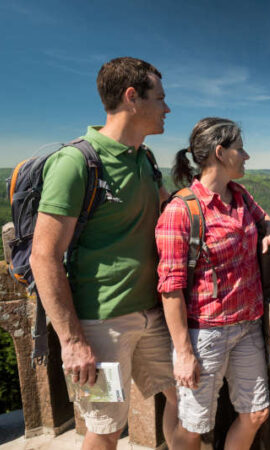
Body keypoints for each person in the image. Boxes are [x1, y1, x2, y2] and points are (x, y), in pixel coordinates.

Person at [30, 57, 178, 449]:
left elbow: (170, 214)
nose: (167, 108)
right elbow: (43, 256)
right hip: (99, 326)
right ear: (132, 97)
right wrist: (72, 341)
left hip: (153, 315)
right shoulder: (75, 163)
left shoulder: (144, 159)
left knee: (187, 399)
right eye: (160, 98)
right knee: (106, 427)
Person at [156, 117, 270, 450]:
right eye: (240, 149)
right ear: (220, 152)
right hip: (205, 334)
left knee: (256, 414)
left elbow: (263, 216)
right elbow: (170, 288)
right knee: (193, 427)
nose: (247, 156)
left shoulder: (240, 195)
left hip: (247, 326)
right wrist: (184, 353)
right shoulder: (181, 211)